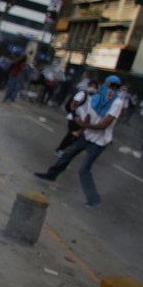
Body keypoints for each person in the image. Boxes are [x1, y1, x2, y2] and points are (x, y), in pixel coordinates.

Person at [34, 75, 124, 208]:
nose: (113, 89)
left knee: (84, 169)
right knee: (67, 154)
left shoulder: (117, 102)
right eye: (111, 86)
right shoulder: (95, 98)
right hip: (86, 136)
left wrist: (85, 126)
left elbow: (105, 124)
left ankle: (94, 199)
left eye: (116, 87)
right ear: (105, 84)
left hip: (99, 141)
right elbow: (88, 117)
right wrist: (81, 129)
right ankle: (51, 175)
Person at [55, 80, 98, 156]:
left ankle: (66, 149)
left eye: (95, 87)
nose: (93, 88)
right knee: (71, 134)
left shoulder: (94, 98)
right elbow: (73, 104)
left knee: (76, 137)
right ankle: (60, 149)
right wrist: (75, 116)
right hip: (74, 118)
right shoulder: (82, 94)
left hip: (82, 121)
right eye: (92, 86)